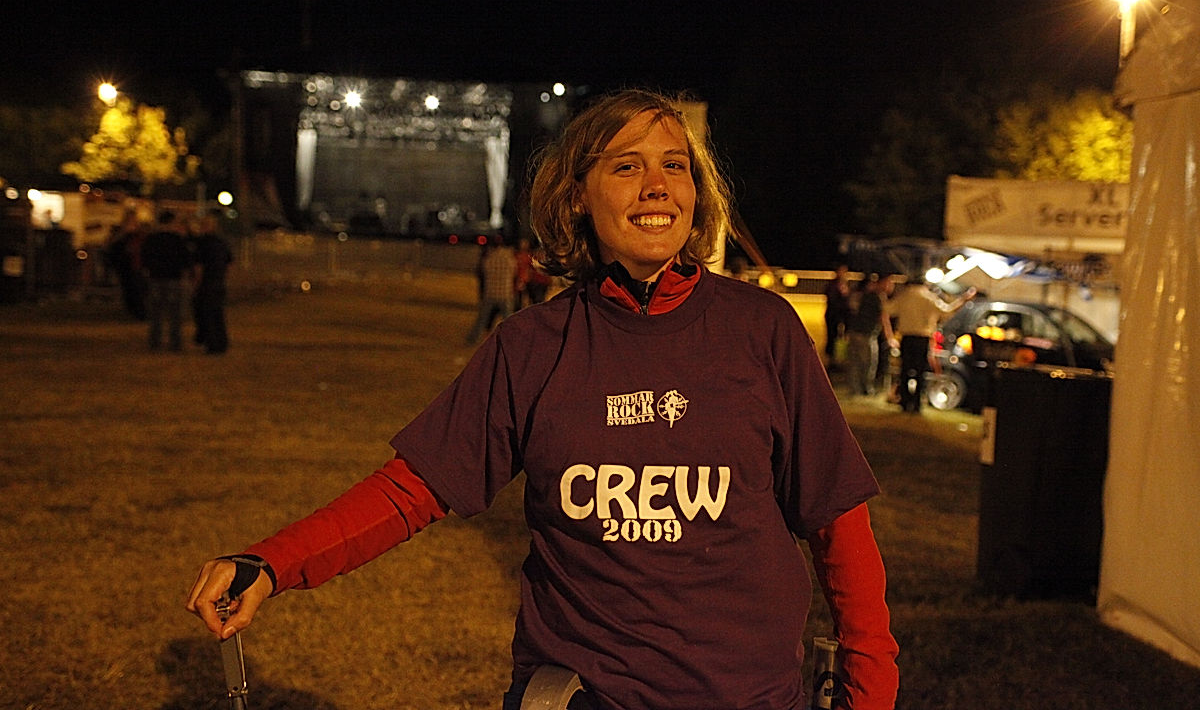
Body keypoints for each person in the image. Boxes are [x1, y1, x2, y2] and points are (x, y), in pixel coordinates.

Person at [186, 89, 899, 710]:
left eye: (675, 166)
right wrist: (272, 563)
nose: (657, 186)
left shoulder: (764, 330)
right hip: (578, 696)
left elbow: (838, 521)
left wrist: (870, 692)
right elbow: (411, 491)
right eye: (628, 166)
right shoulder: (532, 345)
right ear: (578, 195)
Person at [890, 278, 976, 413]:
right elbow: (947, 311)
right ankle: (916, 403)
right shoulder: (929, 297)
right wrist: (963, 299)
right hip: (922, 338)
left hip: (907, 337)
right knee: (920, 371)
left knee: (905, 370)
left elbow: (890, 309)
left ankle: (905, 401)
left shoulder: (905, 296)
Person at [140, 209, 193, 352]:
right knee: (175, 312)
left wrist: (148, 271)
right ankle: (175, 342)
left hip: (156, 277)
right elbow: (186, 259)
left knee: (156, 312)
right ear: (172, 222)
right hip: (174, 278)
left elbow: (144, 257)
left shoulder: (151, 239)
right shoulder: (178, 239)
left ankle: (155, 341)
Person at [844, 274, 897, 396]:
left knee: (854, 361)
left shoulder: (864, 294)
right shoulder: (878, 297)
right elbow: (884, 318)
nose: (891, 286)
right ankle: (866, 388)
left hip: (854, 332)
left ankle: (854, 389)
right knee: (868, 363)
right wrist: (890, 337)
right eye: (889, 283)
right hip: (866, 334)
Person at [191, 211, 234, 354]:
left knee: (207, 314)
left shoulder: (202, 243)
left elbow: (199, 267)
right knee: (218, 314)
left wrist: (196, 284)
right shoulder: (221, 242)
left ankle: (213, 344)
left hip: (207, 283)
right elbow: (229, 263)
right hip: (218, 282)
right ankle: (222, 342)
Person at [466, 235, 518, 343]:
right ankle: (513, 341)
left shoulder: (489, 258)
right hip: (505, 293)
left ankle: (473, 338)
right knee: (508, 320)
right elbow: (514, 271)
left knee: (482, 319)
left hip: (490, 292)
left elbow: (483, 272)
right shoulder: (508, 258)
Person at [823, 263, 851, 368]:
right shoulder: (832, 285)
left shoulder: (845, 284)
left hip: (842, 315)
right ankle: (831, 360)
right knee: (832, 337)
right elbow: (832, 300)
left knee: (842, 338)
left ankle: (839, 359)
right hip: (833, 315)